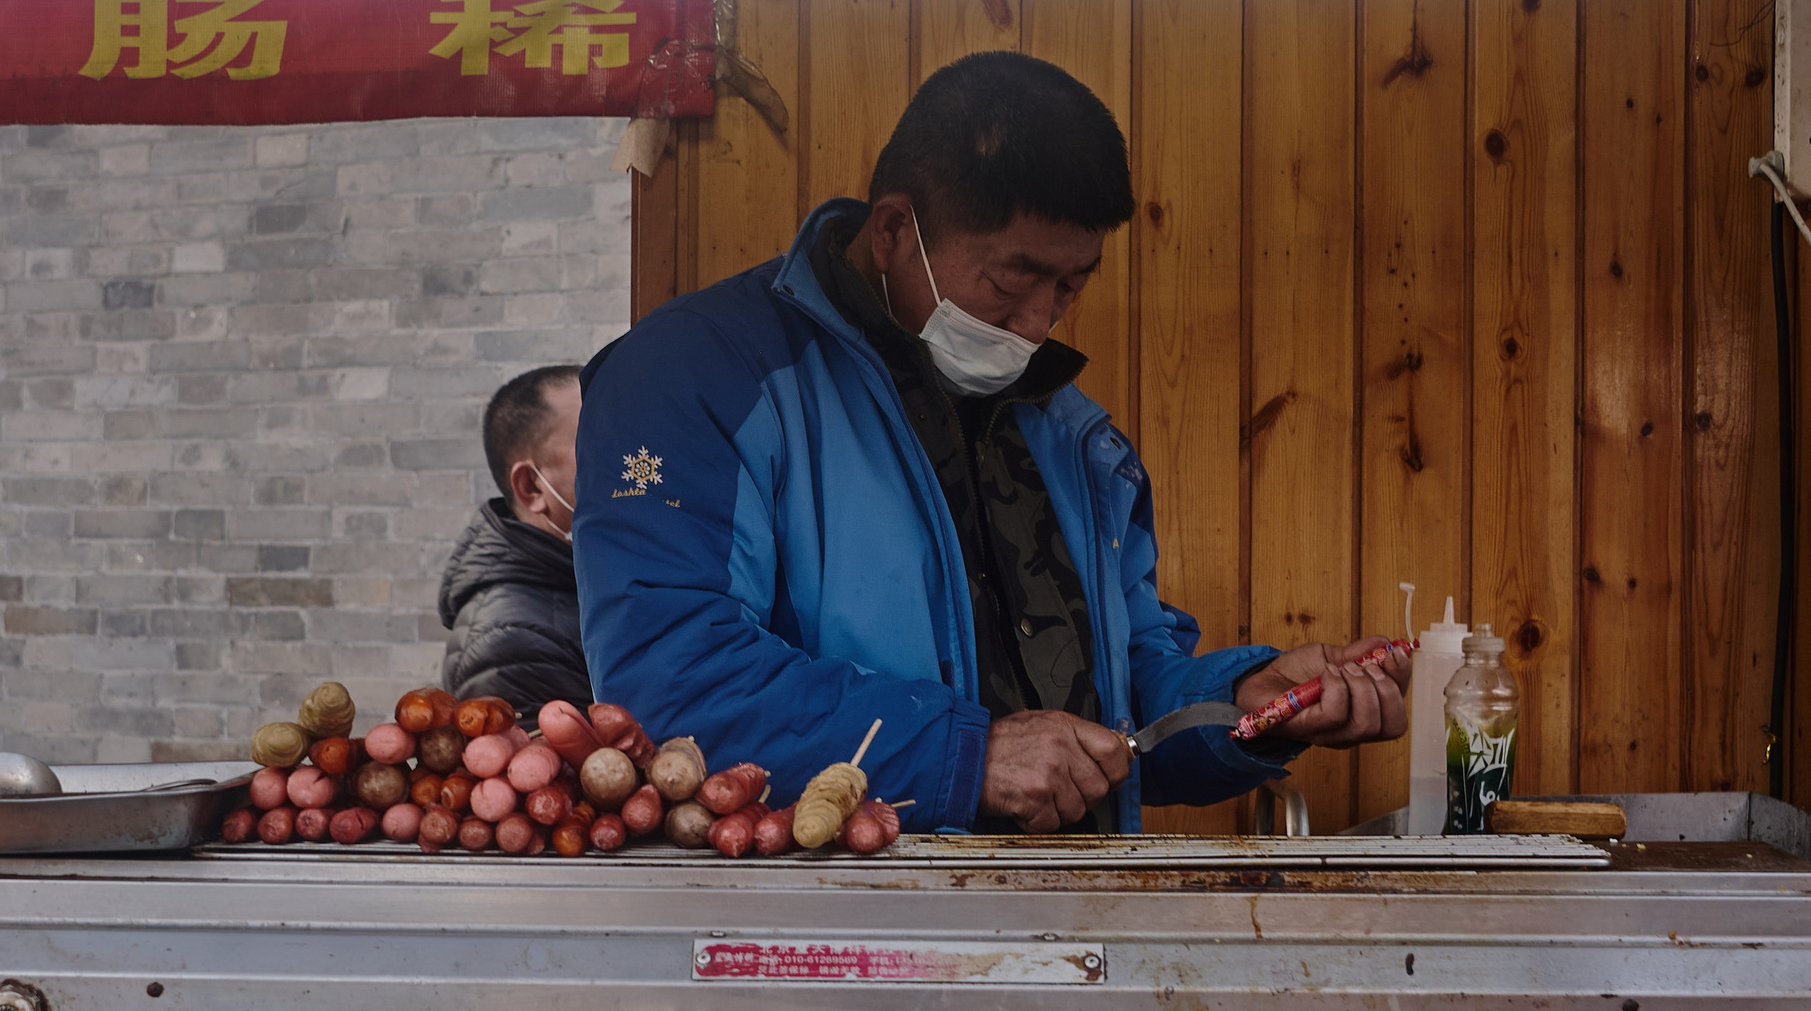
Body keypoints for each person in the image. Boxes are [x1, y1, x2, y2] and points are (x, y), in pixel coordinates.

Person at [571, 53, 1411, 834]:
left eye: (1070, 285)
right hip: (830, 922)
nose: (1038, 324)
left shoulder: (1072, 434)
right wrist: (963, 755)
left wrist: (1245, 702)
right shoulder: (691, 379)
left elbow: (1123, 701)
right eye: (1012, 280)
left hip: (1072, 918)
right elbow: (671, 679)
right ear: (893, 231)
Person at [438, 364, 593, 720]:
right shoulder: (510, 643)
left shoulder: (588, 580)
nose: (627, 462)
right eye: (597, 444)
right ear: (531, 486)